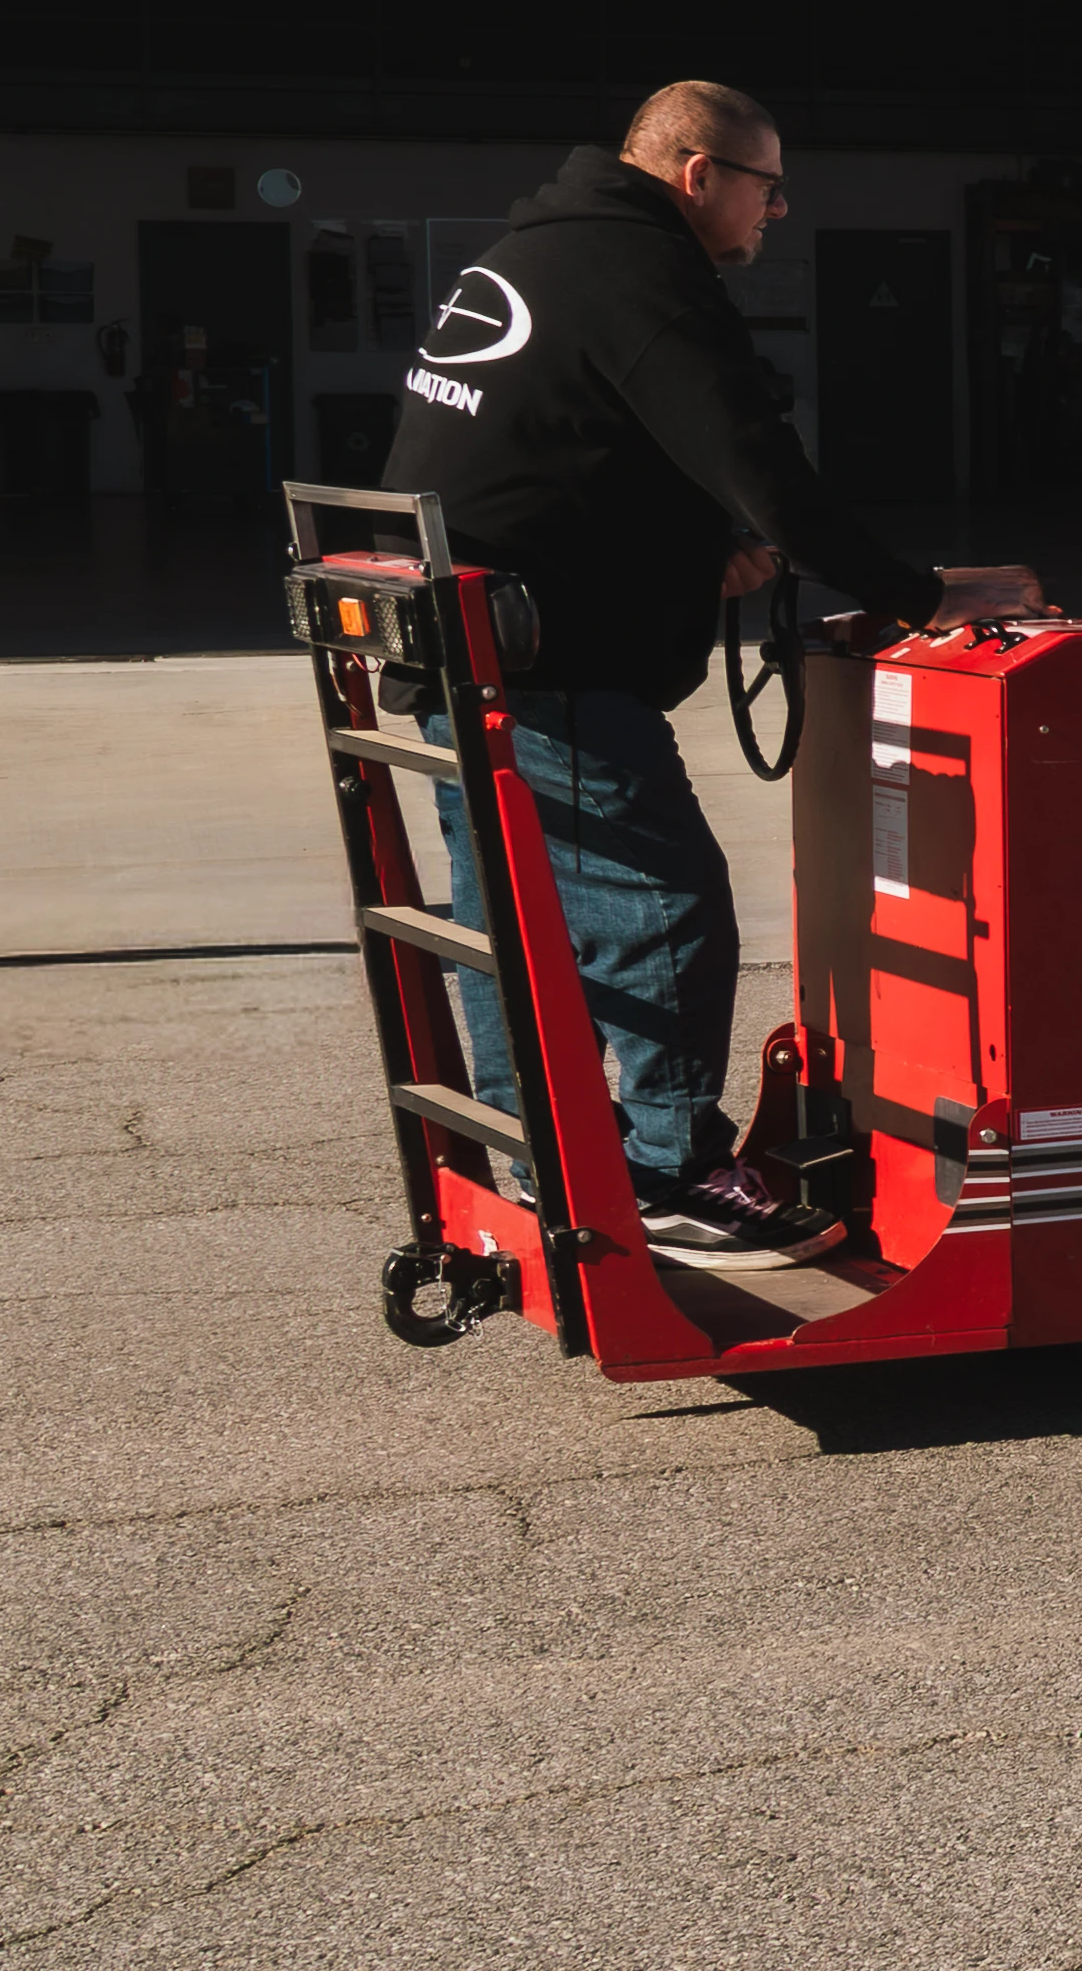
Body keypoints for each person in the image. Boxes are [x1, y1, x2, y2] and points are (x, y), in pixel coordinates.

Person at [377, 83, 1035, 1251]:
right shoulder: (642, 274)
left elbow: (560, 454)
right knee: (665, 909)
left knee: (510, 920)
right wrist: (920, 594)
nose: (776, 210)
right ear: (697, 173)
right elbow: (759, 464)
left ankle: (535, 1152)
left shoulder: (537, 252)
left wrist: (693, 557)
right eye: (766, 185)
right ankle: (668, 1170)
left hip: (459, 642)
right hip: (548, 663)